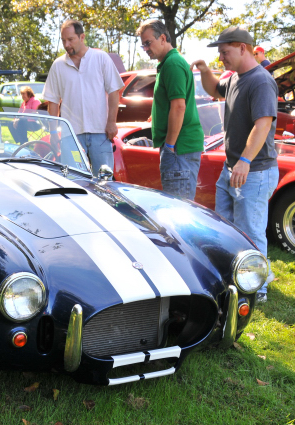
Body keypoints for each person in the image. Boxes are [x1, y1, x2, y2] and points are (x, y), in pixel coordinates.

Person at [191, 27, 279, 303]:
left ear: (243, 48)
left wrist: (244, 161)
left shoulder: (260, 81)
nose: (221, 58)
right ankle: (235, 278)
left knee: (251, 232)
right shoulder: (235, 78)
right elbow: (214, 90)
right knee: (226, 228)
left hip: (253, 171)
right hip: (232, 169)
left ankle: (258, 289)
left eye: (225, 52)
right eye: (219, 54)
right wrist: (205, 70)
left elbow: (263, 124)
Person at [43, 20, 124, 176]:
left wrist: (112, 122)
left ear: (82, 37)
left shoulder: (101, 58)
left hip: (100, 132)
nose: (66, 44)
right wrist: (53, 133)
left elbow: (114, 92)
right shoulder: (58, 65)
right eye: (63, 40)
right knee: (75, 182)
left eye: (70, 39)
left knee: (104, 182)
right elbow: (52, 102)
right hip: (70, 136)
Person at [136, 19, 203, 200]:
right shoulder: (168, 63)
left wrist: (170, 146)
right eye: (143, 45)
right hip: (178, 148)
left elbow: (179, 106)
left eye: (148, 43)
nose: (146, 49)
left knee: (180, 211)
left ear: (163, 38)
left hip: (179, 149)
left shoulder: (172, 64)